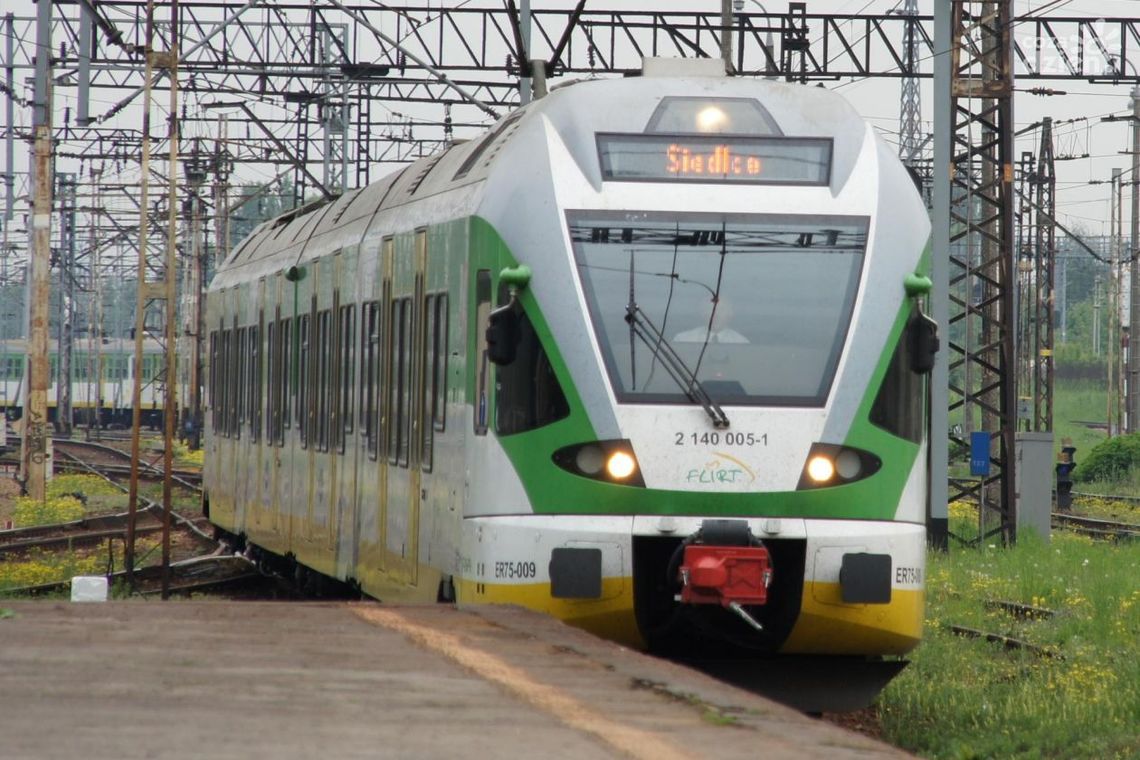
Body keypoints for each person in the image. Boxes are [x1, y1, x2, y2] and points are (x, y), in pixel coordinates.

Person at [672, 296, 748, 343]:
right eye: (711, 309)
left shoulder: (742, 343)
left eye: (721, 310)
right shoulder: (682, 340)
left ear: (730, 314)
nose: (716, 314)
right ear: (702, 313)